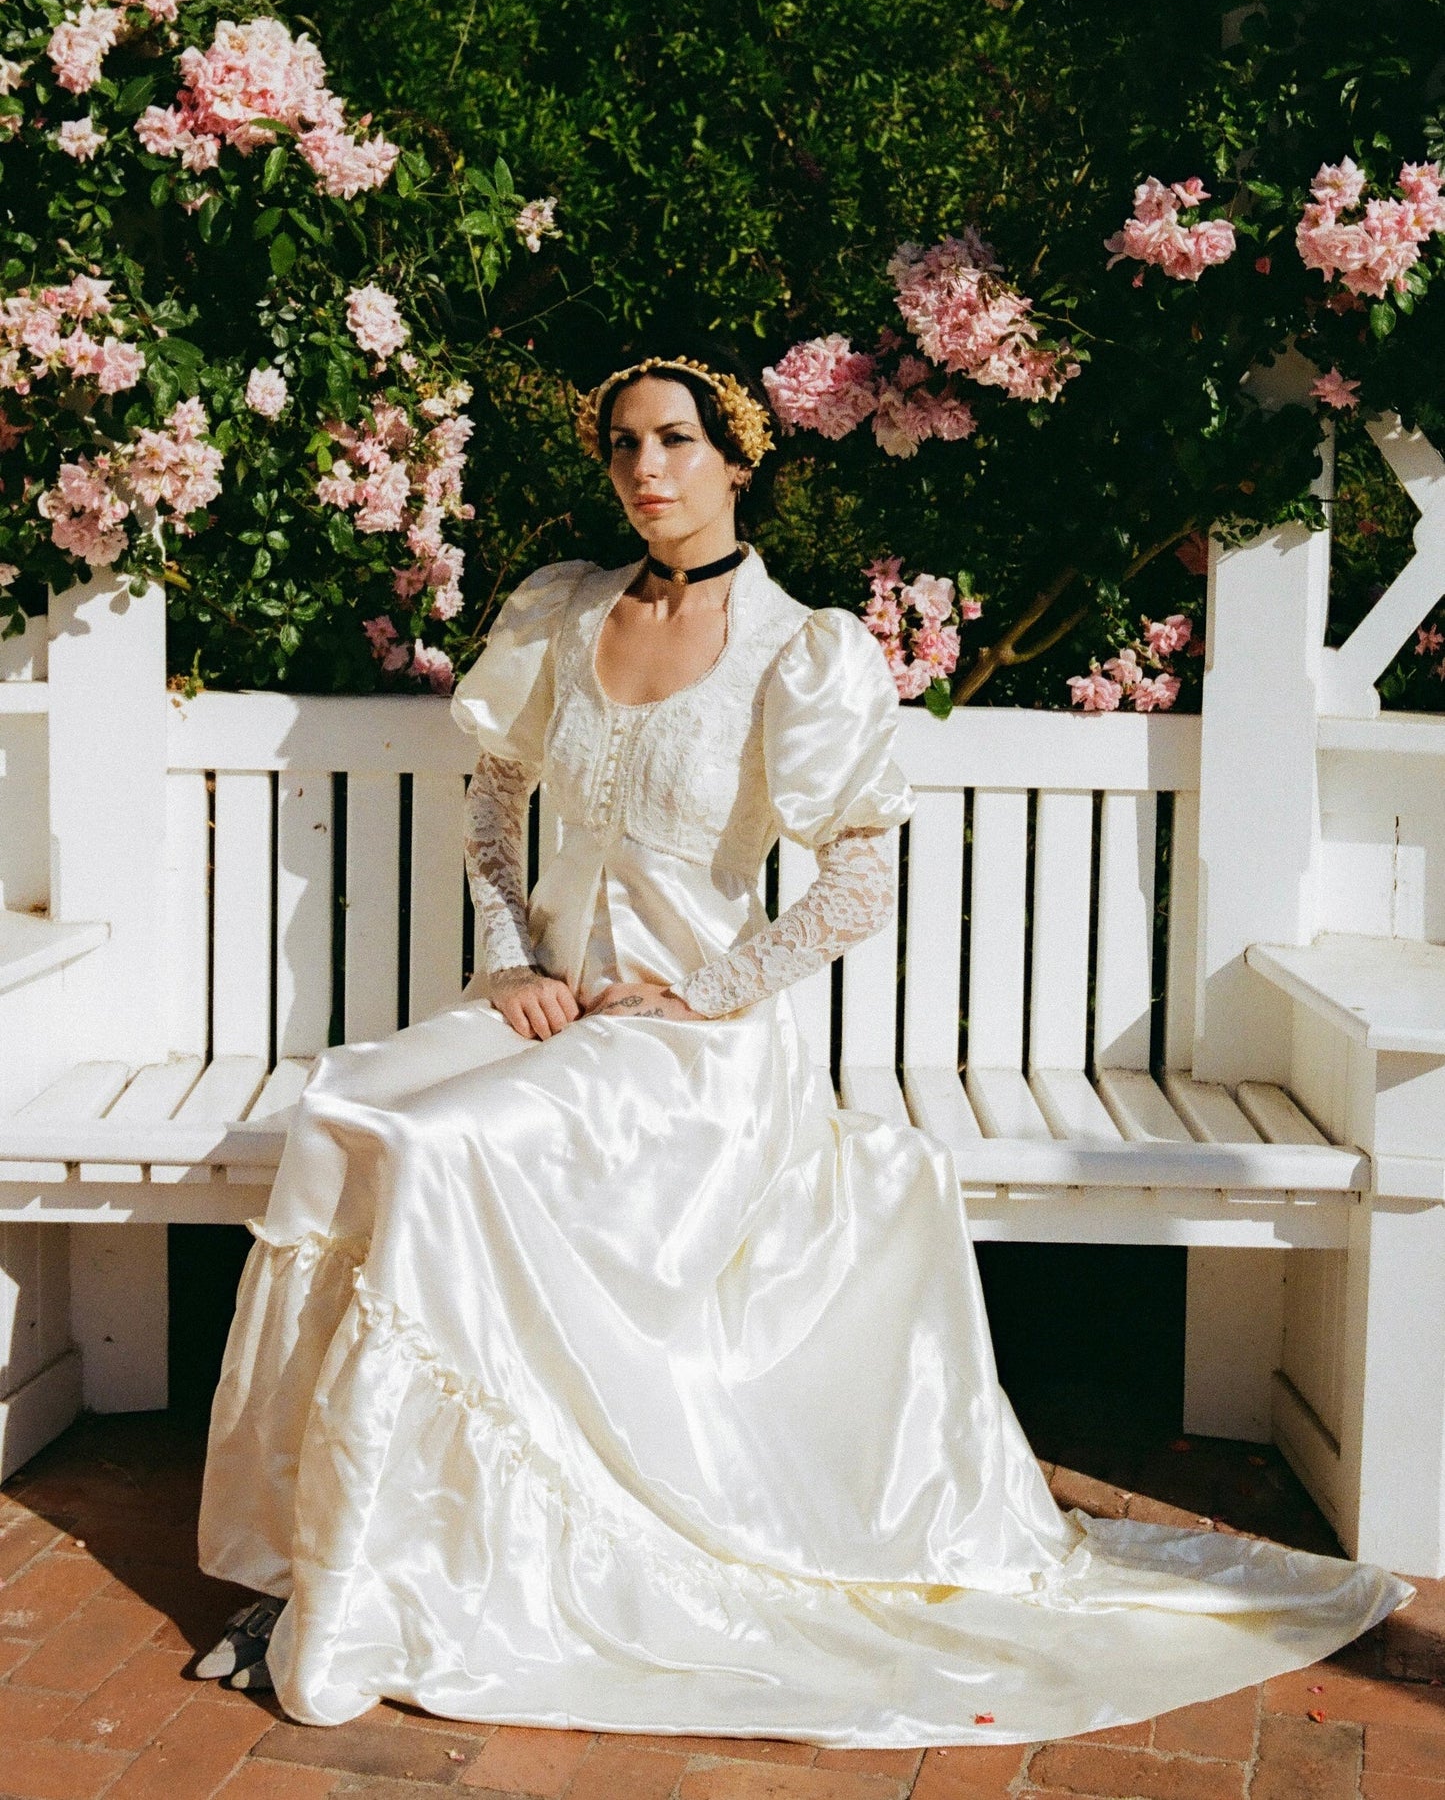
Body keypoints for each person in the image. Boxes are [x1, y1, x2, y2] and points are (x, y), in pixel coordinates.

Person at [195, 350, 1409, 1740]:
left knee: (438, 1147)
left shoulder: (797, 648)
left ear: (737, 456)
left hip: (690, 1049)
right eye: (623, 448)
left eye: (675, 443)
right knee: (351, 1105)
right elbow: (491, 806)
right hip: (547, 1008)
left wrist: (702, 995)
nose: (646, 471)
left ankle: (409, 1580)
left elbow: (854, 883)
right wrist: (510, 960)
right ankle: (328, 1561)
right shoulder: (564, 613)